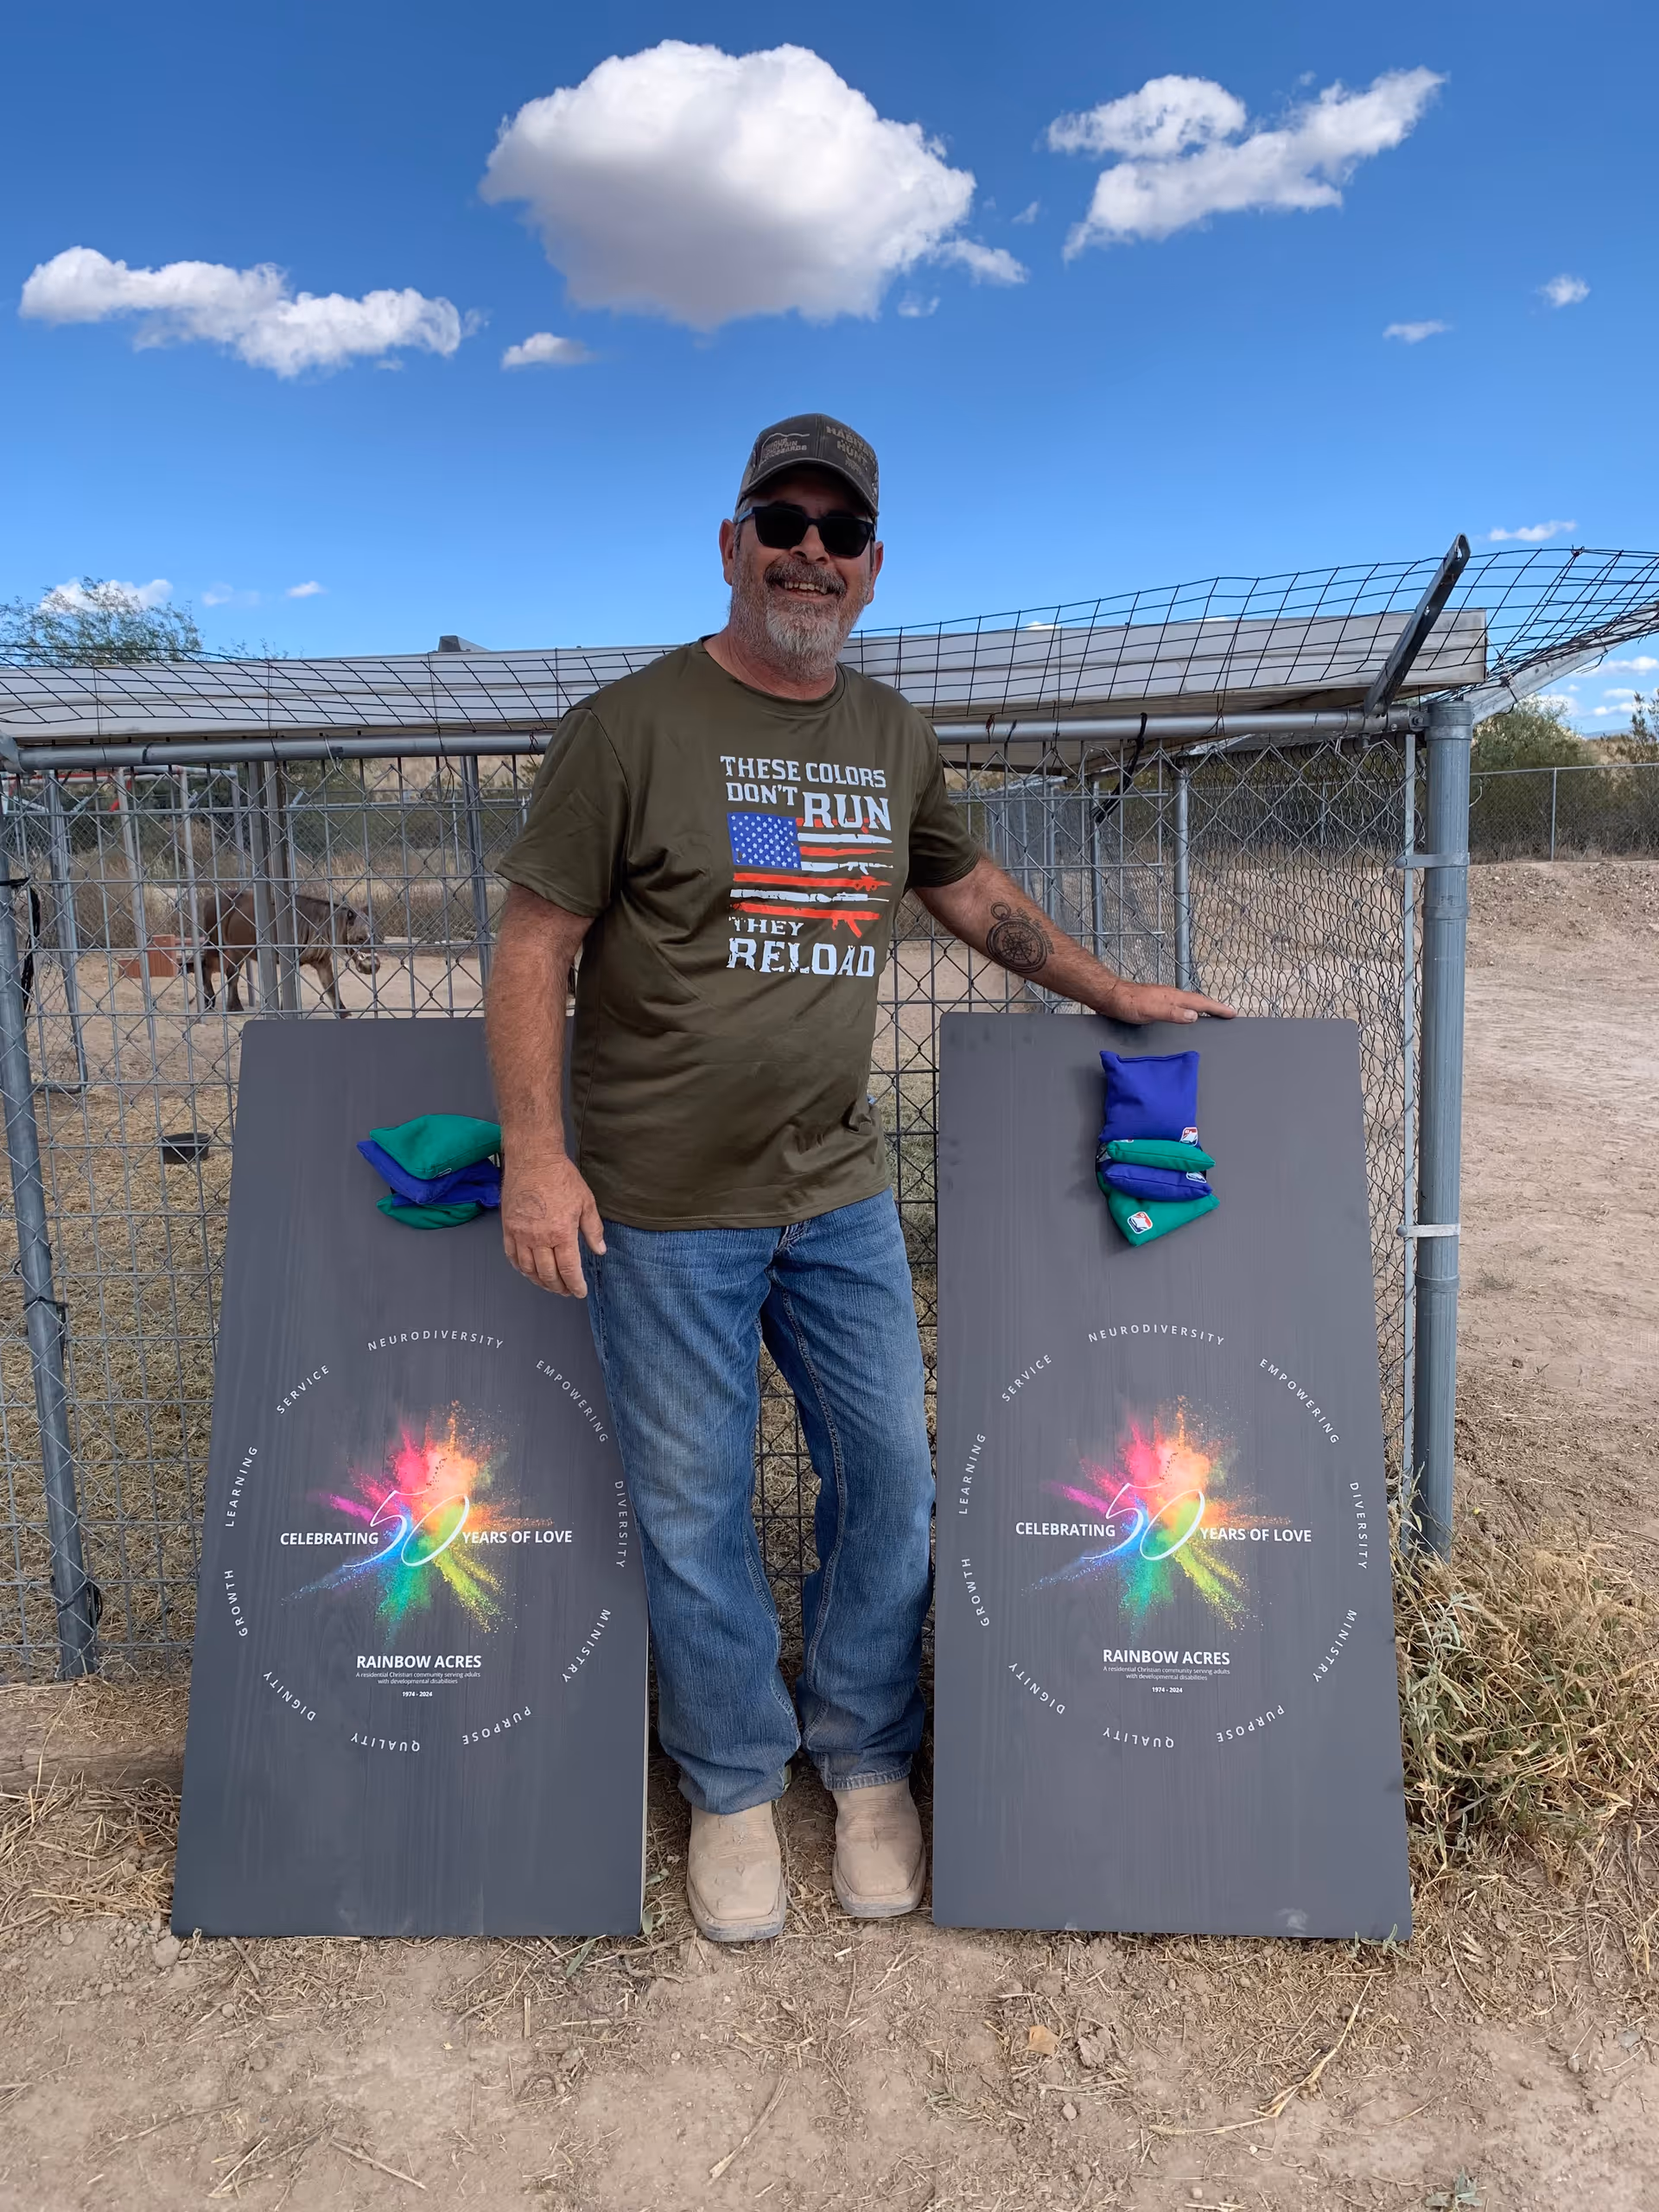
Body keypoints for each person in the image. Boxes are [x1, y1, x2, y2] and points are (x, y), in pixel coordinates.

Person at [486, 413, 1233, 1943]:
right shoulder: (626, 728)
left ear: (873, 569)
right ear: (731, 541)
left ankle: (868, 1758)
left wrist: (1106, 991)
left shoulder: (892, 736)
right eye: (783, 520)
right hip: (662, 1210)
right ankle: (737, 1784)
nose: (807, 553)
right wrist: (538, 1159)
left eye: (839, 532)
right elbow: (532, 942)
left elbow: (967, 888)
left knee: (889, 1478)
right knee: (693, 1510)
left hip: (835, 1199)